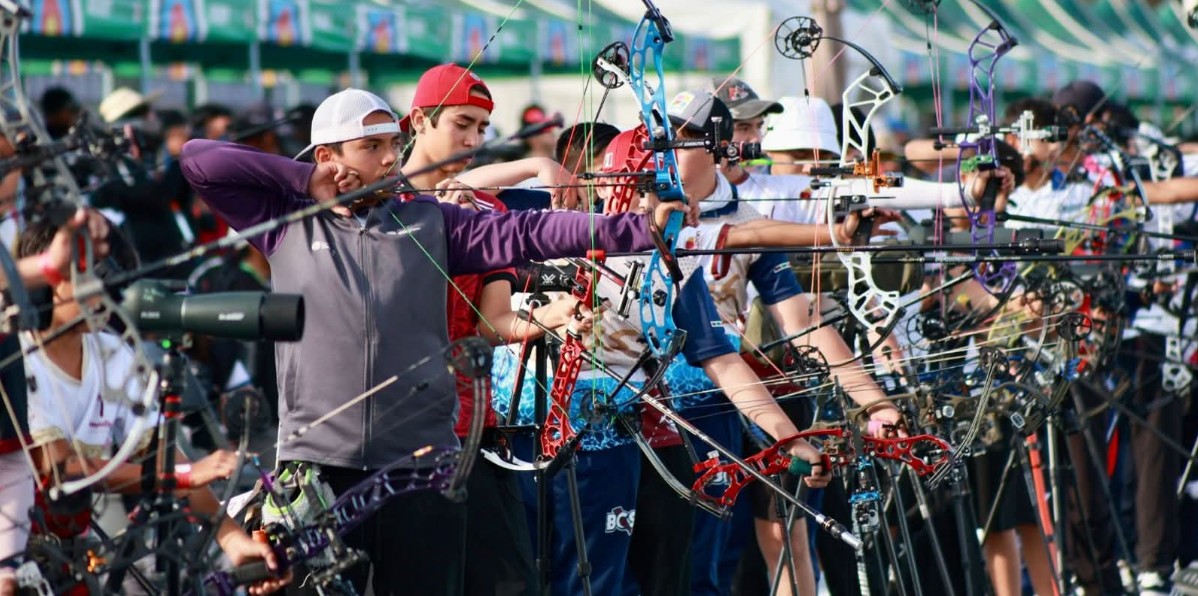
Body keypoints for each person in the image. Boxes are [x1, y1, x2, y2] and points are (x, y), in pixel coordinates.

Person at [180, 85, 682, 595]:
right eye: (370, 147)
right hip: (319, 469)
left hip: (422, 468)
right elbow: (199, 160)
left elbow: (530, 232)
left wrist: (639, 229)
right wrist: (307, 178)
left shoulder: (431, 221)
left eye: (392, 147)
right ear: (330, 157)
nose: (389, 160)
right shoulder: (284, 223)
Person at [11, 218, 287, 596]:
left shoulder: (112, 354)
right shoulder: (17, 357)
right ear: (51, 276)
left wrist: (233, 541)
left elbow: (165, 457)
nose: (106, 296)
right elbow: (62, 468)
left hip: (70, 557)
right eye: (93, 279)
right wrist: (183, 476)